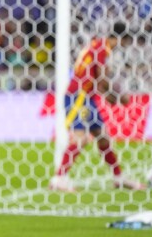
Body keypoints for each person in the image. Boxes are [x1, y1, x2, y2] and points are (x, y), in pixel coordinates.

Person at [49, 22, 145, 192]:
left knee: (103, 137)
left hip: (88, 98)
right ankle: (59, 178)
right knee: (81, 138)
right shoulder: (102, 48)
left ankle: (118, 177)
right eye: (126, 42)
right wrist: (116, 96)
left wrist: (108, 95)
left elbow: (96, 77)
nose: (124, 47)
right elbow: (101, 78)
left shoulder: (98, 45)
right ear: (122, 39)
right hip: (78, 97)